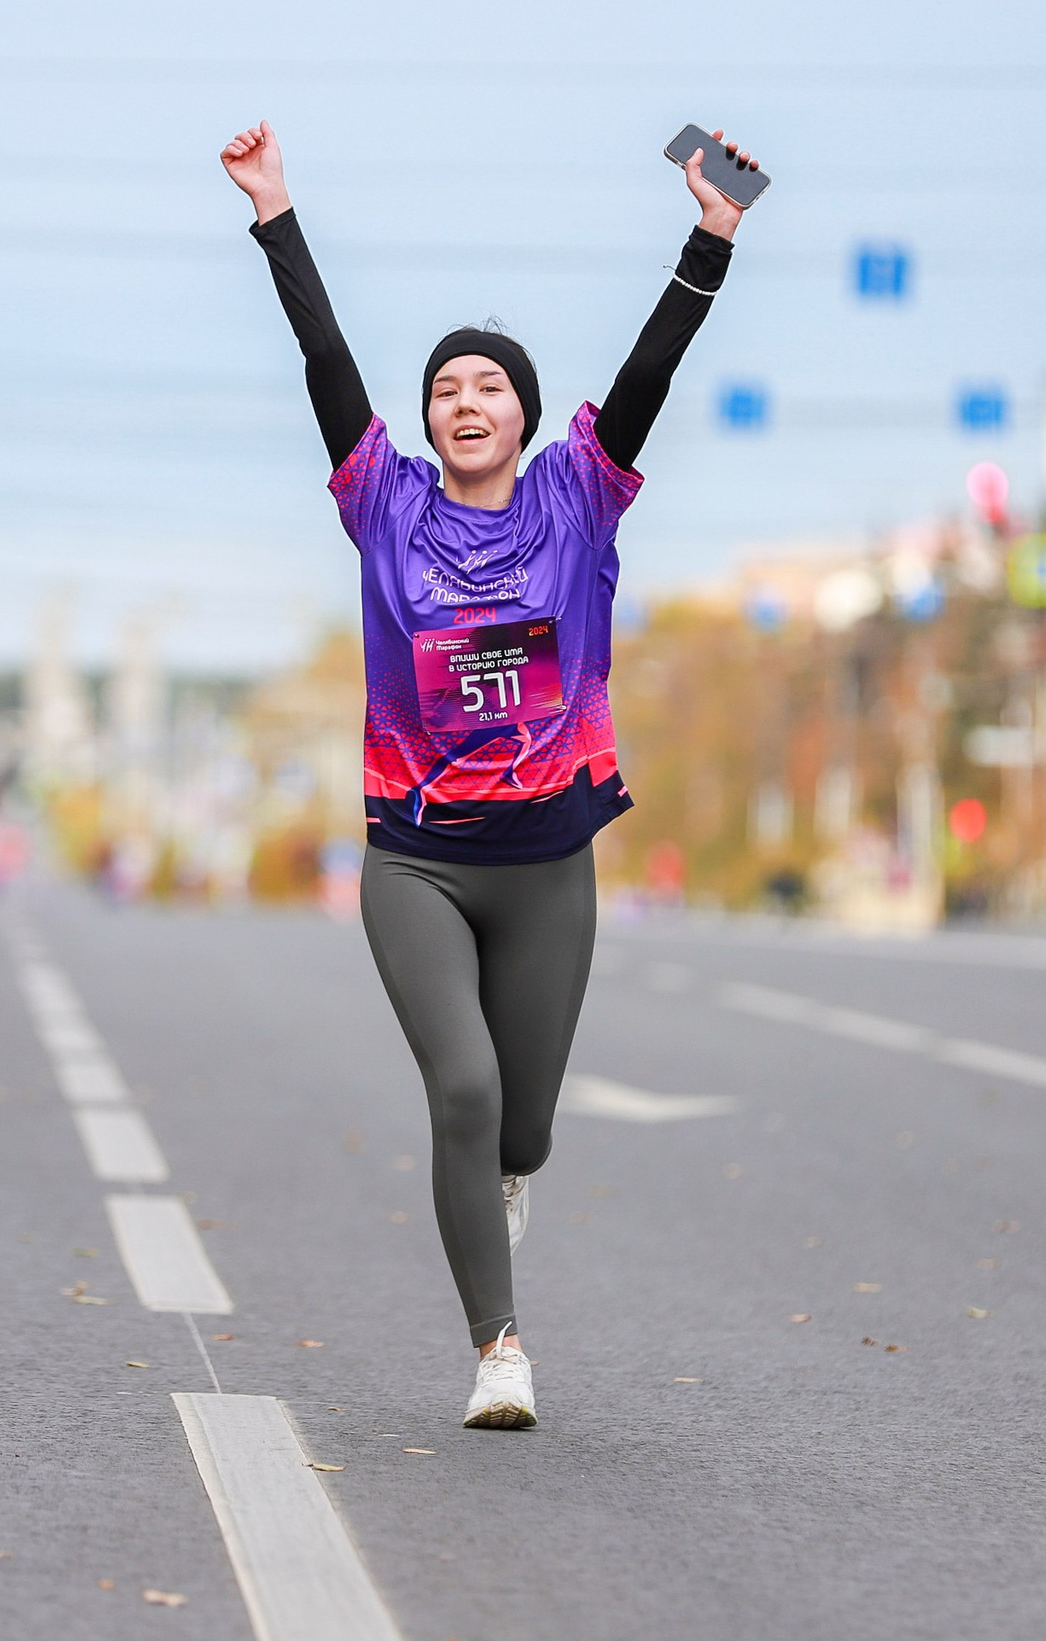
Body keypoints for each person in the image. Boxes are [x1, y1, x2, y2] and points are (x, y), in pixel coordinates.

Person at [221, 118, 756, 1429]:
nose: (465, 403)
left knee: (523, 1129)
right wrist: (274, 212)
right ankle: (497, 1349)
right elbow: (325, 359)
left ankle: (509, 1171)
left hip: (548, 863)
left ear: (525, 413)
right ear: (426, 421)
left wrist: (710, 239)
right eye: (446, 390)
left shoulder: (581, 495)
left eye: (489, 388)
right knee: (462, 1090)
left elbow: (651, 370)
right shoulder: (382, 503)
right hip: (418, 860)